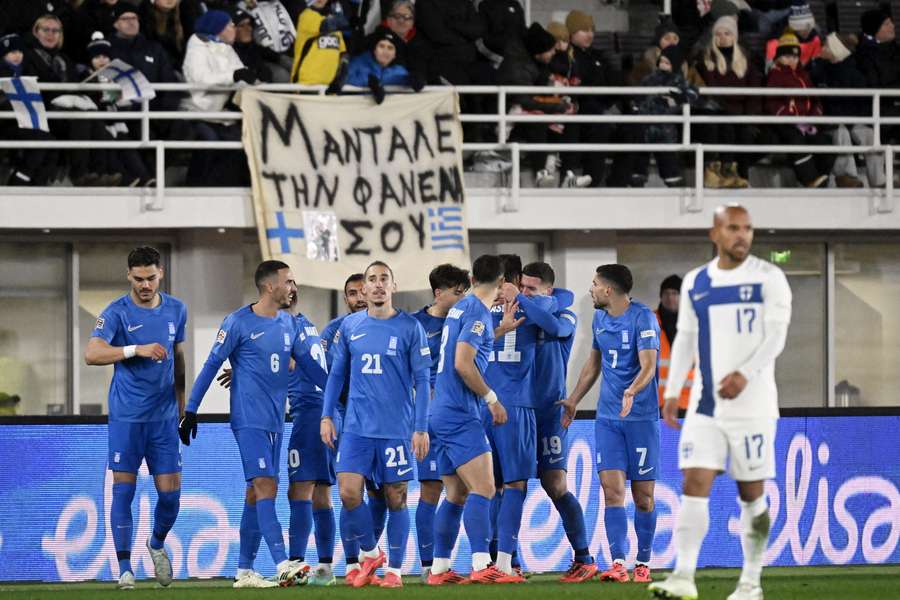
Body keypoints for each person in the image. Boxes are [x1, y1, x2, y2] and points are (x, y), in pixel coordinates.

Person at [648, 204, 793, 600]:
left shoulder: (770, 278)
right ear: (715, 233)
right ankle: (683, 577)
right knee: (694, 483)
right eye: (733, 228)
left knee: (752, 494)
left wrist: (745, 374)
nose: (742, 235)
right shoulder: (697, 281)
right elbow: (687, 341)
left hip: (753, 406)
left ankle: (751, 582)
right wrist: (673, 391)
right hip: (706, 405)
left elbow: (776, 337)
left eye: (747, 228)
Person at [179, 260, 328, 588]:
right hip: (249, 420)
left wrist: (339, 392)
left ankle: (244, 570)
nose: (293, 288)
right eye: (288, 282)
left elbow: (312, 369)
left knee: (254, 493)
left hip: (276, 421)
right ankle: (282, 563)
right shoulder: (237, 322)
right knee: (266, 487)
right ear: (270, 286)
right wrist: (191, 410)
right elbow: (210, 365)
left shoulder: (289, 324)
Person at [320, 261, 432, 589]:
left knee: (396, 498)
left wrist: (420, 427)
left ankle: (394, 572)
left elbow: (423, 380)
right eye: (372, 280)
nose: (379, 285)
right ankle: (370, 552)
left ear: (393, 286)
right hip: (355, 428)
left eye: (384, 279)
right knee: (348, 492)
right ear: (364, 290)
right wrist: (327, 416)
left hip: (396, 429)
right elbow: (337, 375)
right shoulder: (350, 327)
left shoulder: (411, 328)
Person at [83, 246, 187, 590]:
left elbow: (179, 359)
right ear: (129, 275)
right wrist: (134, 349)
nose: (145, 285)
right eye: (139, 279)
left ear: (162, 274)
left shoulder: (177, 309)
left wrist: (184, 407)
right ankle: (125, 568)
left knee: (170, 496)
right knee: (123, 491)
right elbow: (92, 353)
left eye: (151, 278)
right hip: (127, 418)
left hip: (164, 419)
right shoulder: (115, 312)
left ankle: (156, 544)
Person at [561, 264, 660, 584]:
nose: (590, 289)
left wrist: (633, 390)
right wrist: (574, 398)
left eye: (594, 284)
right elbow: (593, 364)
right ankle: (618, 563)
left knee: (643, 495)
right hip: (608, 419)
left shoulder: (643, 318)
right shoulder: (599, 318)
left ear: (608, 290)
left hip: (641, 419)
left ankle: (643, 562)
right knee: (611, 490)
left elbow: (649, 365)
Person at [426, 254, 510, 585]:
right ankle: (481, 565)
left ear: (473, 279)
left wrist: (497, 331)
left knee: (456, 494)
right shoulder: (476, 310)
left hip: (440, 411)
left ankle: (439, 569)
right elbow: (463, 363)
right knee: (485, 487)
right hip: (460, 413)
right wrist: (492, 399)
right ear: (501, 282)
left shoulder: (461, 307)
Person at [517, 262, 596, 583]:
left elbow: (555, 328)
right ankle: (506, 560)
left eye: (530, 289)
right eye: (520, 287)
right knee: (511, 486)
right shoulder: (517, 316)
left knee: (556, 486)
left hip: (550, 414)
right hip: (517, 413)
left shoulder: (565, 315)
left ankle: (583, 558)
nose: (523, 293)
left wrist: (518, 300)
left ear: (548, 291)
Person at [485, 254, 558, 580]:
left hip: (483, 403)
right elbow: (555, 321)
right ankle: (504, 562)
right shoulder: (530, 311)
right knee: (514, 485)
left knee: (490, 486)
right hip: (516, 406)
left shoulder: (478, 309)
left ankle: (487, 560)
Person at [410, 264, 471, 581]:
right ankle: (426, 566)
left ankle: (469, 563)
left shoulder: (465, 321)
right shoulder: (415, 324)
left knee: (463, 490)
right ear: (438, 293)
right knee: (431, 490)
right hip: (430, 420)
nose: (463, 298)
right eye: (457, 292)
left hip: (462, 417)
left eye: (465, 292)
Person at [318, 273, 378, 583]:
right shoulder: (334, 331)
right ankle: (353, 562)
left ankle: (376, 559)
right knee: (348, 489)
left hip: (382, 418)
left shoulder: (390, 326)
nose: (358, 298)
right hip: (347, 416)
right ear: (346, 298)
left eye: (361, 291)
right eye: (351, 293)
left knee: (381, 493)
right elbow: (326, 375)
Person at [498, 23, 585, 188]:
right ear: (539, 51)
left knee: (571, 122)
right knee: (538, 121)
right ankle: (540, 172)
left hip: (533, 108)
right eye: (551, 49)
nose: (554, 52)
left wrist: (561, 96)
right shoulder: (517, 67)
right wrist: (556, 106)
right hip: (513, 117)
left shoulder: (536, 61)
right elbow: (524, 100)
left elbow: (545, 85)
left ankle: (568, 175)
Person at [180, 10, 252, 187]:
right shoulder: (197, 48)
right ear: (217, 28)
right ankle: (195, 188)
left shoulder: (226, 48)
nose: (234, 29)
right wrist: (233, 76)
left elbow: (239, 75)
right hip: (200, 112)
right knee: (210, 142)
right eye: (230, 26)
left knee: (242, 144)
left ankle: (227, 187)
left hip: (223, 114)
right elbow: (200, 80)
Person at [693, 15, 758, 188]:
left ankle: (742, 177)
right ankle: (724, 172)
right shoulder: (707, 60)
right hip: (720, 111)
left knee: (746, 131)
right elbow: (714, 91)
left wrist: (749, 115)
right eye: (718, 34)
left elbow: (753, 92)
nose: (722, 38)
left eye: (727, 33)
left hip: (740, 112)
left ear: (734, 37)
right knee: (726, 124)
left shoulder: (746, 62)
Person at [810, 32, 883, 188]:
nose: (822, 49)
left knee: (869, 134)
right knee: (841, 131)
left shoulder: (855, 75)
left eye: (826, 46)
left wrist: (855, 120)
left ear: (836, 50)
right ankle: (846, 177)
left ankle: (879, 180)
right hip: (829, 121)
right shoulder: (818, 70)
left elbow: (863, 105)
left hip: (852, 120)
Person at [765, 32, 835, 188]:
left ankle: (820, 180)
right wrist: (794, 121)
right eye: (787, 56)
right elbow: (773, 104)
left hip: (808, 124)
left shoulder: (804, 75)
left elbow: (815, 101)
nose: (792, 60)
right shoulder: (775, 76)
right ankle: (810, 180)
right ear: (779, 57)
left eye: (795, 57)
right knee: (796, 141)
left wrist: (812, 121)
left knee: (826, 143)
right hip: (786, 125)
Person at [0, 32, 61, 186]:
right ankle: (18, 182)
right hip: (7, 125)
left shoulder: (28, 71)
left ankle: (38, 185)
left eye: (19, 51)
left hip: (25, 123)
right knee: (42, 140)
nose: (17, 56)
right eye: (12, 52)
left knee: (52, 144)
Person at [338, 26, 415, 104]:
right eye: (381, 46)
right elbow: (344, 79)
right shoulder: (358, 63)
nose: (385, 51)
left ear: (394, 55)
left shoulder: (400, 71)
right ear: (374, 50)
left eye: (390, 48)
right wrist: (369, 83)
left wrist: (412, 79)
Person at [856, 10, 900, 143]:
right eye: (886, 24)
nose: (893, 26)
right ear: (874, 29)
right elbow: (873, 86)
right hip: (880, 112)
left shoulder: (896, 50)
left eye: (891, 22)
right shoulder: (864, 56)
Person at [656, 275, 693, 411]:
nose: (670, 298)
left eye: (675, 293)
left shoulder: (696, 323)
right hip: (657, 402)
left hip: (689, 402)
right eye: (666, 293)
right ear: (661, 296)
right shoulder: (649, 321)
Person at [290, 0, 347, 85]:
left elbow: (342, 52)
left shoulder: (333, 22)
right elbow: (327, 25)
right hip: (306, 84)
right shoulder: (306, 16)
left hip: (329, 85)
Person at [382, 0, 431, 86]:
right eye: (397, 16)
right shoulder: (374, 42)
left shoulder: (422, 46)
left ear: (412, 23)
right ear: (388, 20)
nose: (401, 21)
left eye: (407, 17)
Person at [763, 0, 822, 70]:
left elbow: (817, 65)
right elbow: (769, 70)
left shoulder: (815, 39)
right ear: (793, 26)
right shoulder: (774, 42)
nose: (806, 30)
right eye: (801, 26)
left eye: (809, 26)